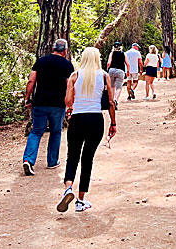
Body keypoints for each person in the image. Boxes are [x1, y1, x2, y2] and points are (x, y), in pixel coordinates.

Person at [57, 47, 117, 213]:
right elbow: (111, 103)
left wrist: (74, 101)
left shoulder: (75, 76)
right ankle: (80, 200)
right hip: (95, 119)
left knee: (72, 156)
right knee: (87, 159)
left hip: (77, 119)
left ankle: (68, 188)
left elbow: (68, 102)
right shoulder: (104, 76)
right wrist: (113, 123)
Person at [22, 38, 74, 176]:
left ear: (53, 48)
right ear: (65, 50)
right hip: (58, 104)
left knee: (36, 132)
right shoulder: (67, 65)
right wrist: (70, 104)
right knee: (56, 131)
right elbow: (70, 86)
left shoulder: (41, 62)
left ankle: (28, 159)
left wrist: (27, 98)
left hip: (40, 103)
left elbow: (31, 80)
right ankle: (52, 161)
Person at [106, 41, 127, 110]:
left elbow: (109, 63)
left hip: (111, 70)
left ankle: (111, 101)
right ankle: (116, 100)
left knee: (112, 86)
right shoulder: (123, 54)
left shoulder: (112, 53)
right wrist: (128, 71)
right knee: (119, 87)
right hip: (120, 71)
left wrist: (107, 69)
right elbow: (127, 64)